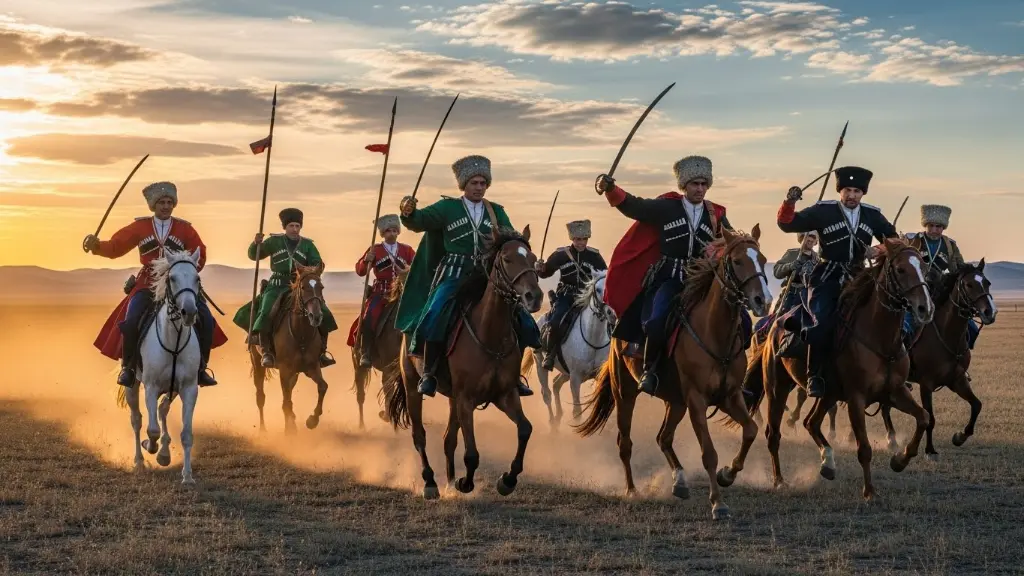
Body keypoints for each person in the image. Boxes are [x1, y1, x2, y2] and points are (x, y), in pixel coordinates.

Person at [394, 155, 538, 398]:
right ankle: (429, 373)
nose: (479, 188)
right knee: (435, 312)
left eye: (483, 183)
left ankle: (514, 376)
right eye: (474, 183)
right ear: (464, 185)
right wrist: (408, 212)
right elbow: (419, 222)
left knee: (520, 316)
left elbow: (511, 239)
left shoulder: (496, 212)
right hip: (454, 273)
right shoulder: (447, 208)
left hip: (486, 276)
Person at [596, 155, 737, 395]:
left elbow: (732, 239)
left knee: (737, 317)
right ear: (684, 185)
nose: (700, 189)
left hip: (701, 280)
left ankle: (734, 378)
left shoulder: (716, 214)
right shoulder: (666, 207)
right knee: (657, 318)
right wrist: (610, 189)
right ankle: (650, 371)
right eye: (695, 184)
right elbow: (635, 206)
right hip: (669, 279)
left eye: (704, 184)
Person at [777, 166, 898, 397]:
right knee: (821, 321)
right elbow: (787, 224)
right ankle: (814, 375)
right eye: (847, 190)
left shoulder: (872, 215)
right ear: (840, 191)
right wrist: (789, 202)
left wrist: (880, 249)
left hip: (859, 275)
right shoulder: (824, 210)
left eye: (856, 191)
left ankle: (892, 372)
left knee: (888, 313)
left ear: (863, 193)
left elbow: (894, 239)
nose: (852, 195)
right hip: (827, 275)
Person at [85, 181, 220, 387]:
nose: (166, 206)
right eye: (161, 203)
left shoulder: (185, 229)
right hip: (147, 284)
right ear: (153, 205)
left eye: (169, 202)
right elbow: (115, 247)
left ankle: (201, 368)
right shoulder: (140, 227)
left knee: (207, 321)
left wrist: (186, 272)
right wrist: (97, 247)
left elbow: (199, 255)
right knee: (130, 321)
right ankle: (128, 368)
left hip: (178, 284)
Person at [231, 208, 337, 368]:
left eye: (297, 226)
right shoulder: (274, 242)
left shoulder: (307, 245)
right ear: (285, 227)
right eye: (291, 226)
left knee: (321, 311)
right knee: (266, 310)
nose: (295, 229)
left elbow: (317, 262)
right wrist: (256, 244)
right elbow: (254, 256)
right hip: (277, 285)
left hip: (300, 285)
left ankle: (321, 352)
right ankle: (266, 350)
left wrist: (313, 269)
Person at [535, 219, 608, 371]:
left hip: (587, 296)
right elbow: (545, 273)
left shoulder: (595, 256)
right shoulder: (560, 255)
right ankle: (550, 354)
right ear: (572, 239)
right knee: (556, 320)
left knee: (607, 319)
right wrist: (540, 269)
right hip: (566, 295)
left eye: (584, 239)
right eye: (577, 239)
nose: (581, 243)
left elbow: (605, 275)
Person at [904, 204, 978, 348]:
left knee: (971, 328)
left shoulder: (950, 245)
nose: (934, 230)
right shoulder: (913, 241)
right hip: (915, 291)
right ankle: (903, 358)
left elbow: (958, 268)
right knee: (905, 326)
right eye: (930, 226)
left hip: (940, 291)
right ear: (925, 225)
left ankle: (959, 359)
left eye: (938, 227)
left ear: (943, 228)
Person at [351, 214, 415, 367]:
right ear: (383, 234)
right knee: (368, 317)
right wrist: (366, 260)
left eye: (394, 230)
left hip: (403, 292)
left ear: (398, 232)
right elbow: (360, 271)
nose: (391, 234)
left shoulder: (407, 250)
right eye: (388, 231)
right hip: (381, 292)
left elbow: (417, 267)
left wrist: (408, 270)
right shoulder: (375, 250)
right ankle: (365, 352)